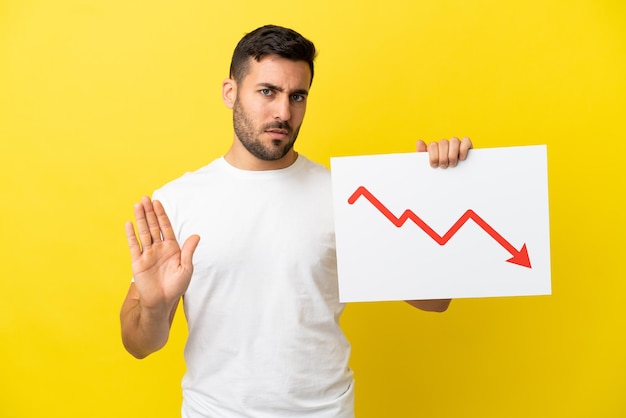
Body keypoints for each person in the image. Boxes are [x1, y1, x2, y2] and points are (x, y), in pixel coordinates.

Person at [120, 24, 472, 417]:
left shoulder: (344, 195)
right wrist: (153, 307)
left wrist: (437, 193)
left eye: (297, 96)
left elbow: (435, 299)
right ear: (230, 92)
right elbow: (138, 344)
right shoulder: (178, 201)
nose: (283, 112)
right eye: (267, 91)